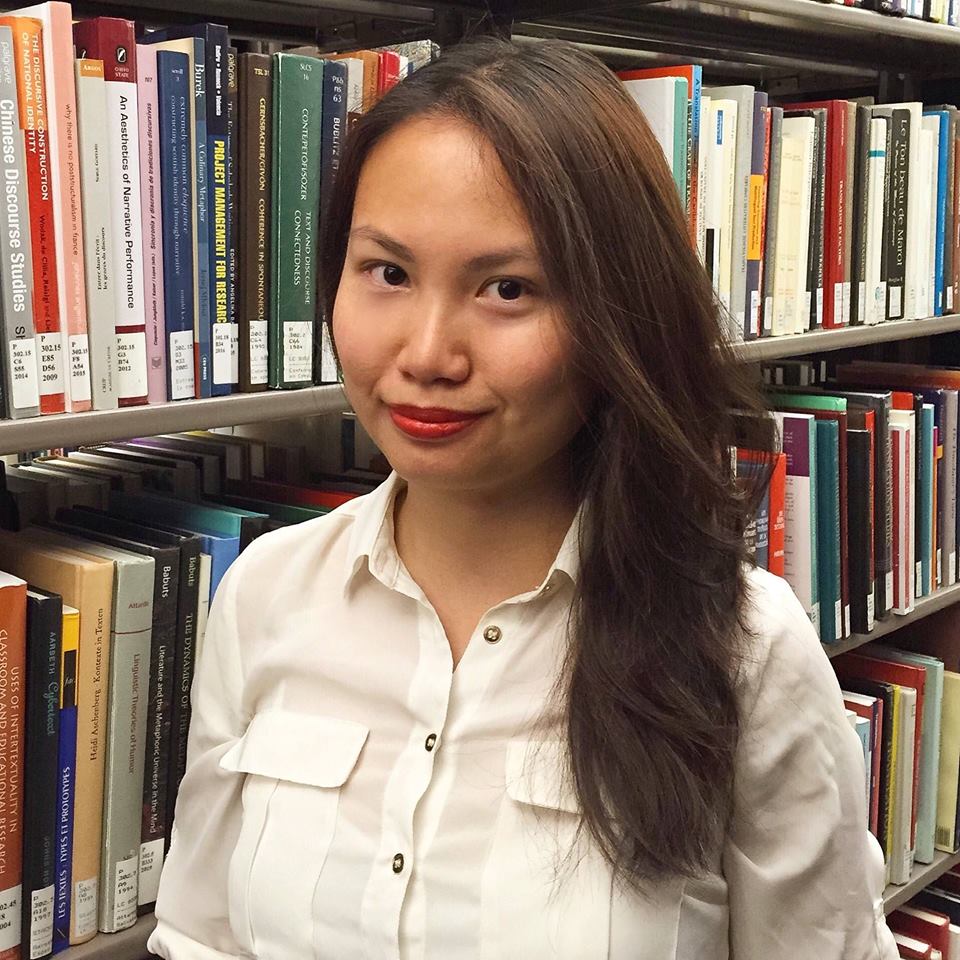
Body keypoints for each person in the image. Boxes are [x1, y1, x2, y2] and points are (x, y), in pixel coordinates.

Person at [147, 37, 897, 960]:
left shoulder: (743, 651)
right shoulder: (265, 595)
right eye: (387, 272)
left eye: (508, 289)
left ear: (619, 315)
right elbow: (200, 937)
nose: (427, 354)